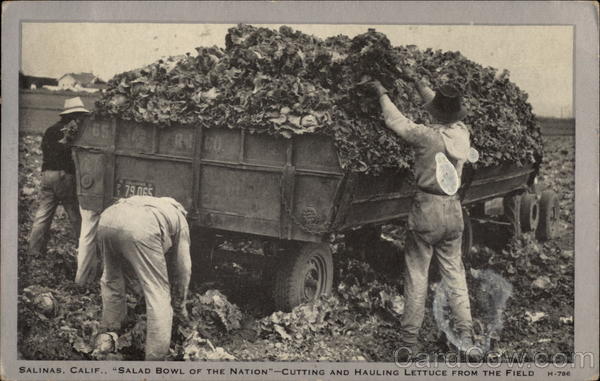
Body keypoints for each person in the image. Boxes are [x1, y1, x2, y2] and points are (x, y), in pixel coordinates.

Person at [364, 69, 480, 360]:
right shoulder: (462, 134)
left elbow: (396, 121)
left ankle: (408, 343)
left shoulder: (426, 137)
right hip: (453, 209)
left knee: (417, 276)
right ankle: (466, 336)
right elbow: (441, 109)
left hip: (426, 209)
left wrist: (381, 92)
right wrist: (419, 84)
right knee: (455, 273)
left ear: (436, 113)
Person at [96, 195, 191, 360]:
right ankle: (155, 359)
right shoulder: (180, 219)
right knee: (158, 293)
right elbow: (183, 270)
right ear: (181, 209)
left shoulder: (151, 203)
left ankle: (109, 334)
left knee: (111, 279)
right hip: (141, 227)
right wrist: (180, 306)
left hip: (107, 218)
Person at [28, 97, 90, 257]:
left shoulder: (50, 130)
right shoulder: (72, 131)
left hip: (46, 175)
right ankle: (84, 251)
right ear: (74, 115)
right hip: (63, 176)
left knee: (43, 214)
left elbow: (45, 150)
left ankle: (34, 252)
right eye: (79, 115)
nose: (80, 119)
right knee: (74, 214)